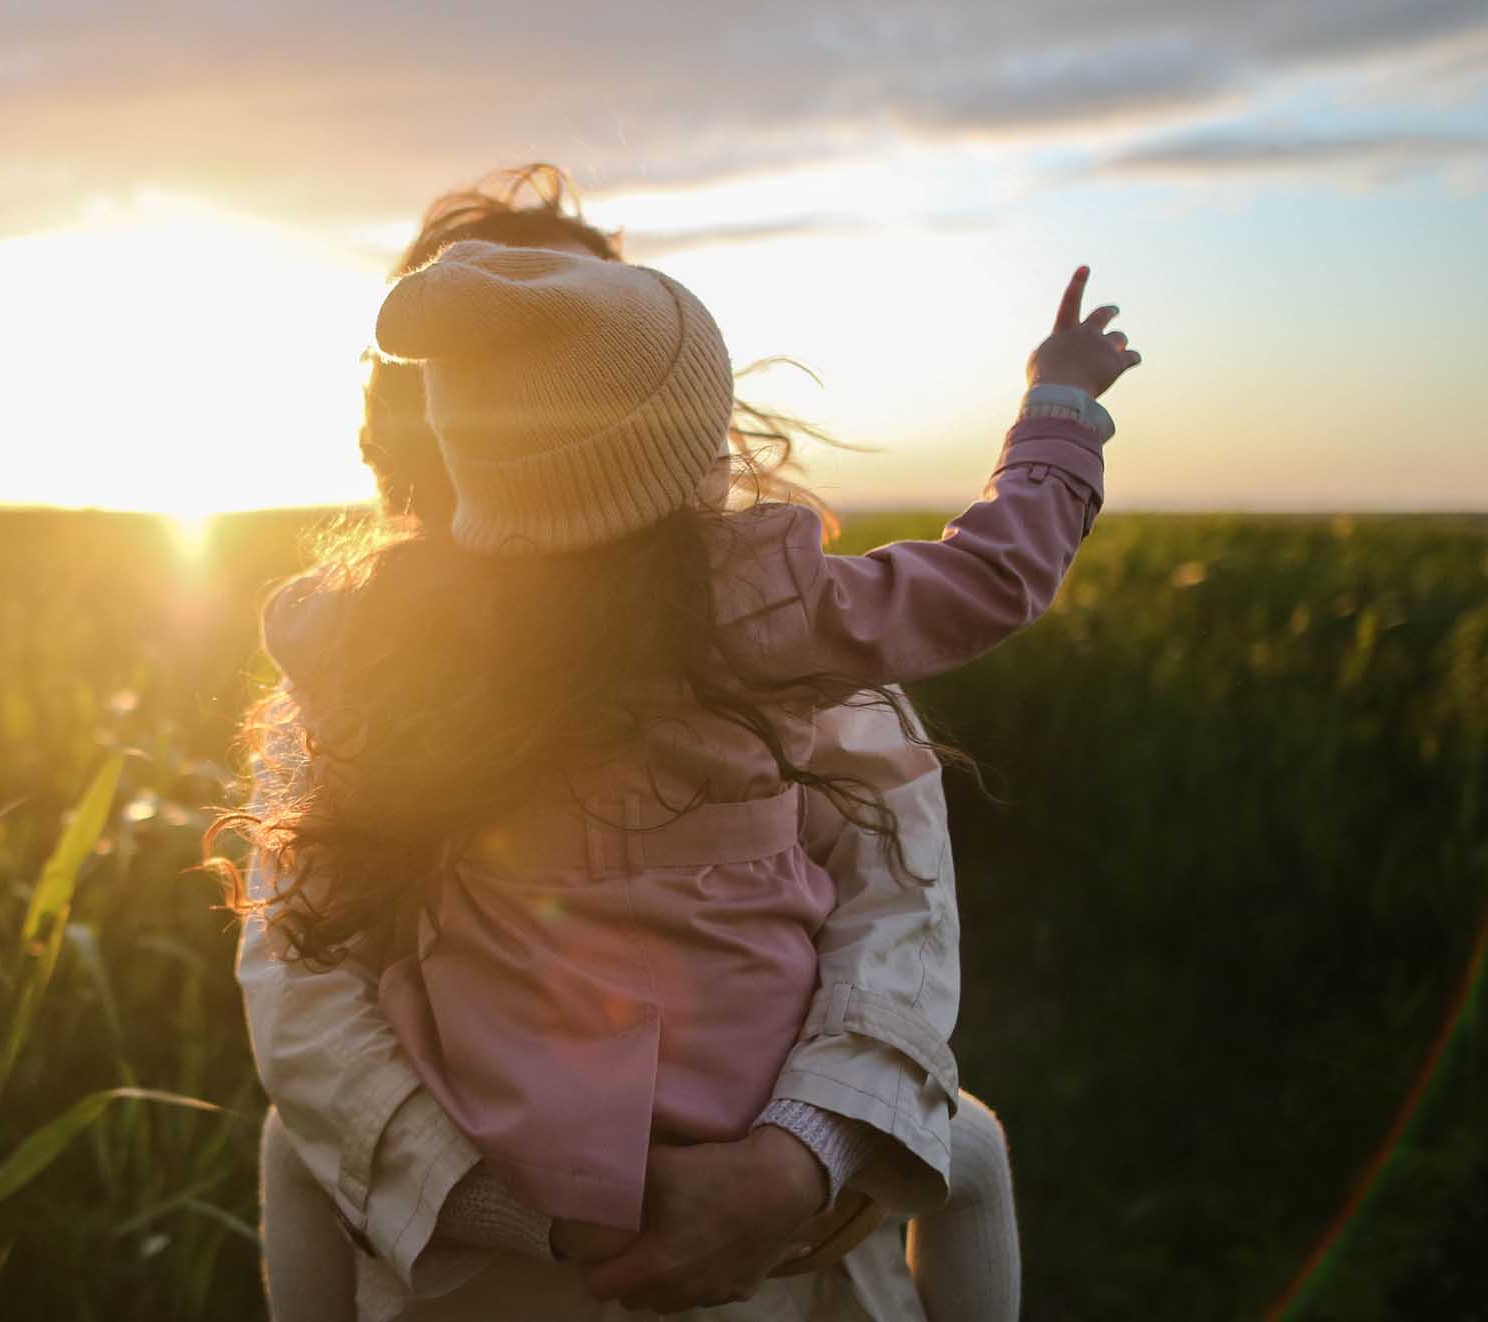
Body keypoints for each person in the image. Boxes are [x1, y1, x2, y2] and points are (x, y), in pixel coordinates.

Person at [229, 168, 1108, 1320]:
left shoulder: (381, 647)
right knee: (972, 1146)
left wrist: (783, 1164)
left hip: (657, 1190)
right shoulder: (780, 625)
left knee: (291, 1143)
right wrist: (1061, 413)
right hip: (616, 1203)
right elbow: (305, 1005)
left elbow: (895, 919)